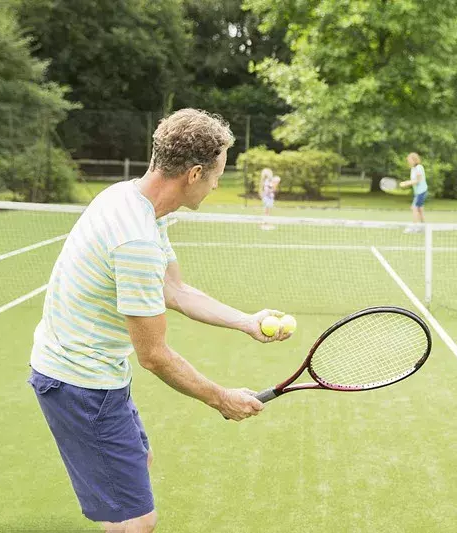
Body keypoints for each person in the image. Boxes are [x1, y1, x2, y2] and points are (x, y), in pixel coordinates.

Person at [27, 109, 291, 532]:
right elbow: (154, 356)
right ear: (195, 173)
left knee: (138, 466)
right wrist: (221, 398)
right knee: (140, 520)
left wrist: (246, 320)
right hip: (78, 383)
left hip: (96, 374)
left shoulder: (132, 201)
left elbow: (176, 291)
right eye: (218, 173)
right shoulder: (136, 241)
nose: (218, 183)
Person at [399, 152, 427, 232]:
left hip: (421, 191)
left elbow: (418, 180)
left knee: (414, 208)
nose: (409, 161)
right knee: (420, 210)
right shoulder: (413, 169)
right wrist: (406, 183)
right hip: (418, 192)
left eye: (410, 160)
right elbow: (413, 180)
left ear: (414, 160)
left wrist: (406, 183)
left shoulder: (419, 167)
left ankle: (415, 227)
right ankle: (423, 227)